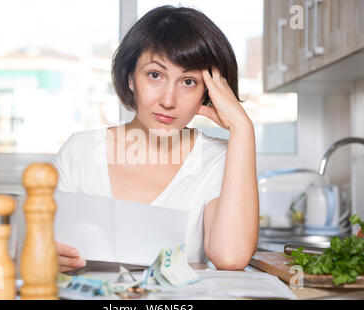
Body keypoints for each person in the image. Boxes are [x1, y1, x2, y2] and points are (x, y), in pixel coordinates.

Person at [54, 5, 259, 273]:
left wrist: (242, 127)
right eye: (155, 75)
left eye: (188, 82)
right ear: (130, 78)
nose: (168, 101)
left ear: (208, 92)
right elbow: (42, 251)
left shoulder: (218, 159)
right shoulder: (78, 152)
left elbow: (230, 257)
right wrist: (48, 255)